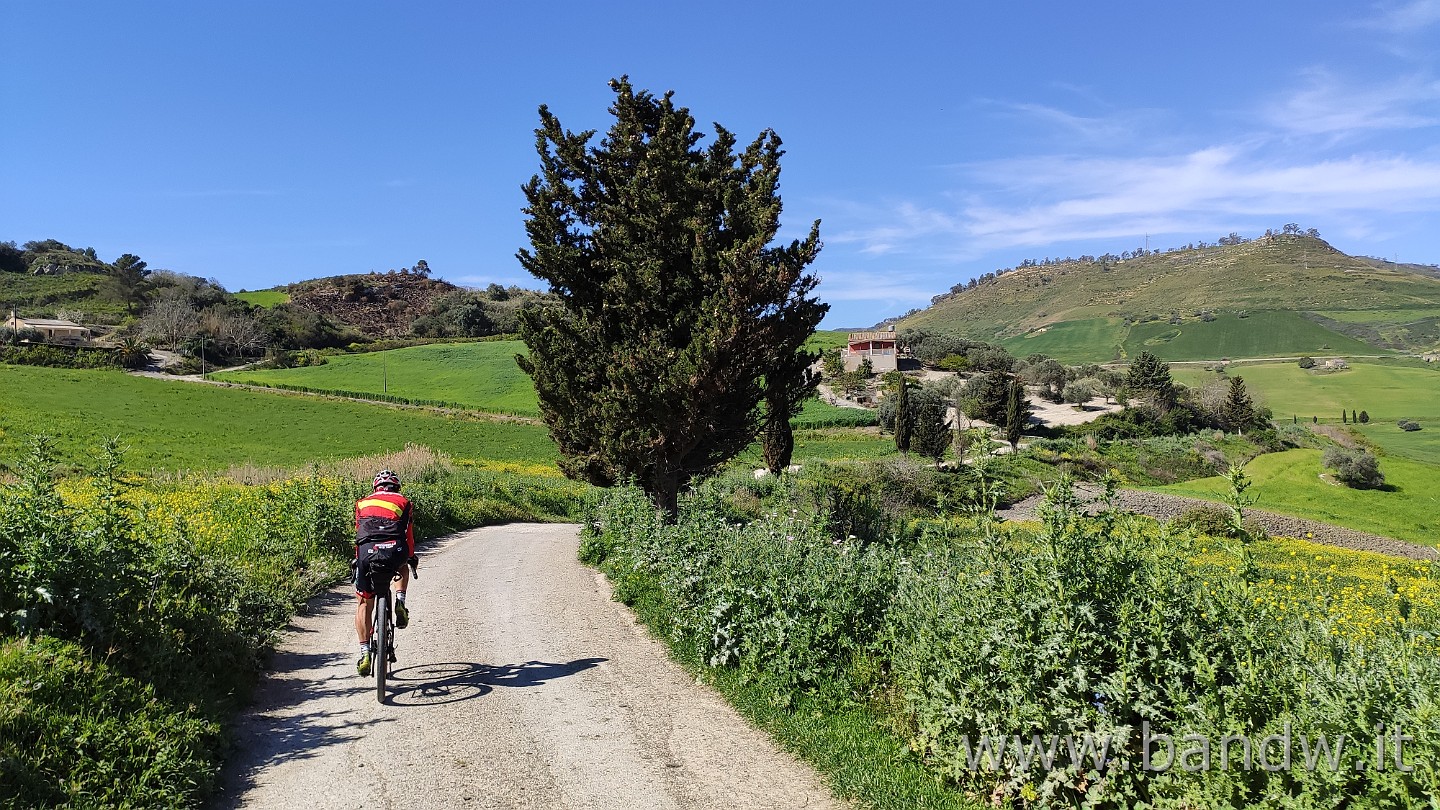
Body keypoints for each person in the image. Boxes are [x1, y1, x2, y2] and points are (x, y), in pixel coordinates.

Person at [354, 469, 417, 677]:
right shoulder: (404, 502)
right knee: (403, 564)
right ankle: (400, 601)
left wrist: (359, 562)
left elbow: (360, 536)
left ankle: (365, 653)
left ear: (375, 488)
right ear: (396, 487)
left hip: (366, 553)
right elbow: (407, 535)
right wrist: (411, 556)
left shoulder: (362, 503)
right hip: (394, 550)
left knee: (364, 602)